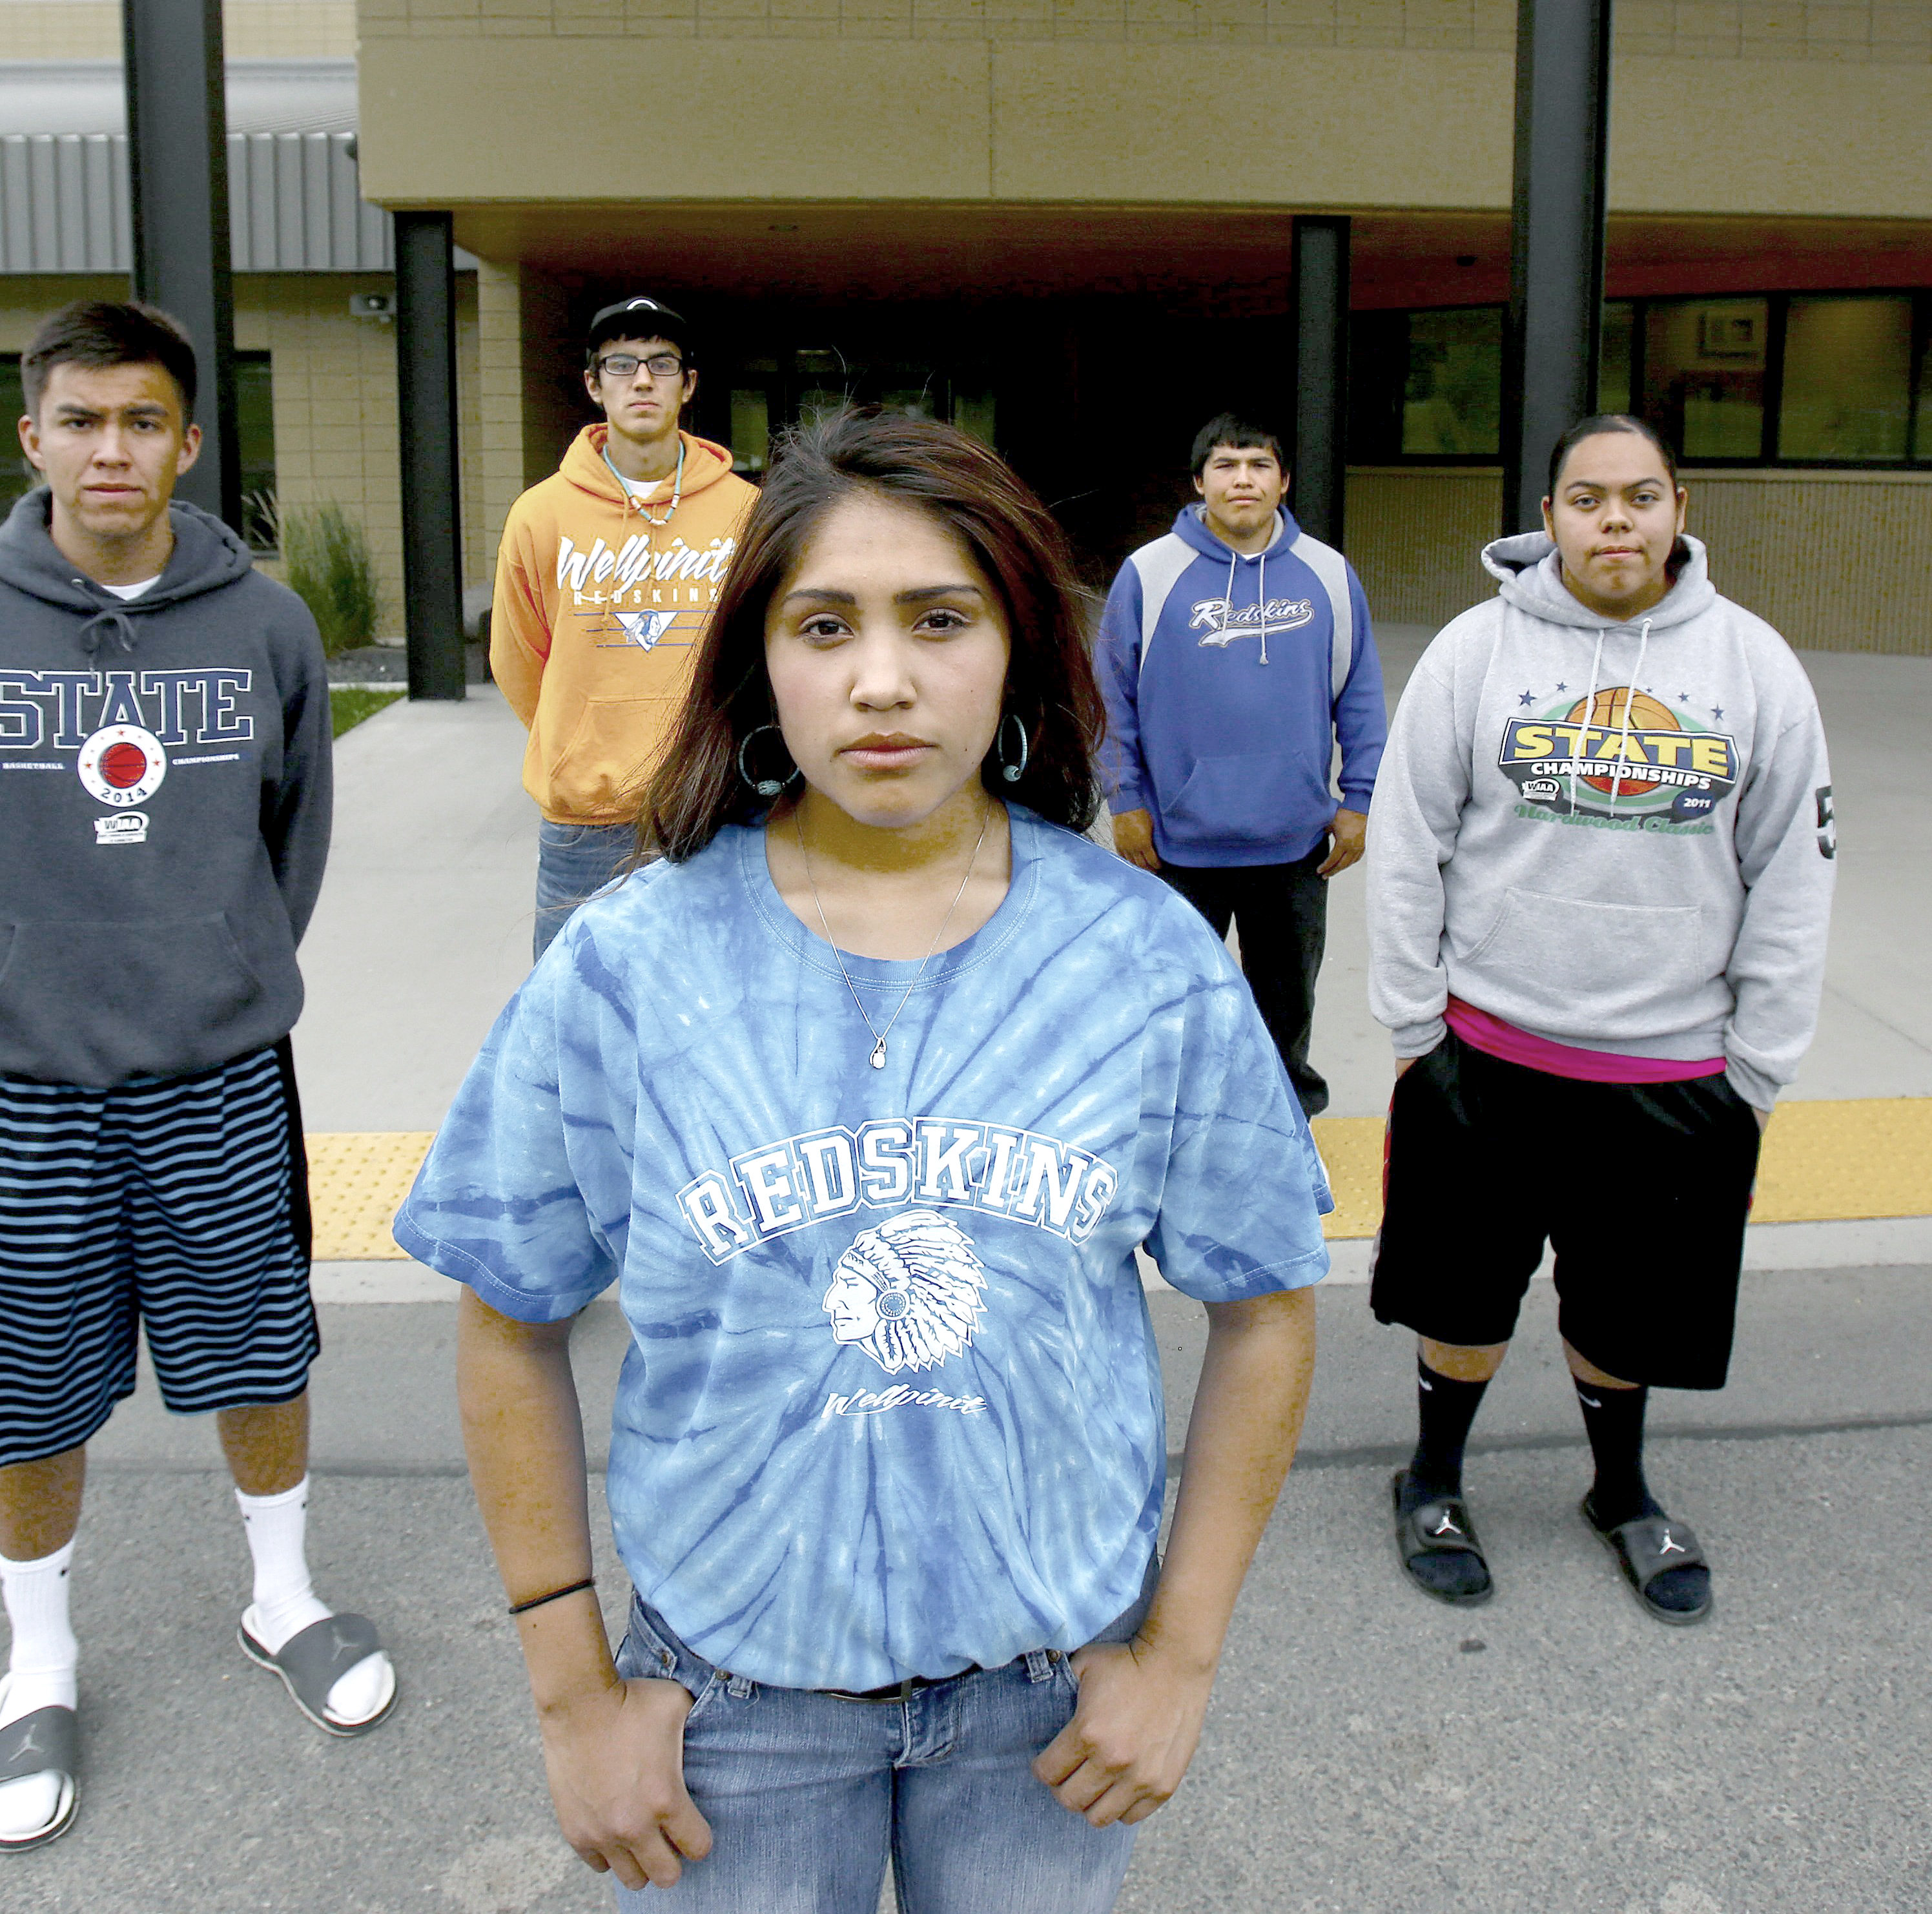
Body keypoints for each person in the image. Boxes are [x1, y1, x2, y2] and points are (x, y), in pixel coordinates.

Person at [396, 409, 1330, 1911]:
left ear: (1017, 650)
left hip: (1049, 1698)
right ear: (757, 660)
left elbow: (1267, 1294)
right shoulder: (631, 961)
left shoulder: (1139, 957)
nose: (880, 679)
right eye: (822, 623)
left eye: (939, 619)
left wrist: (1182, 1655)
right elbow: (509, 1311)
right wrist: (572, 1685)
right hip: (728, 1706)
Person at [0, 300, 396, 1854]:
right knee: (29, 1382)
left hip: (221, 1069)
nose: (114, 449)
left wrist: (214, 973)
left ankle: (281, 1594)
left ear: (187, 438)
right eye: (81, 420)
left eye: (142, 420)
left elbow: (288, 845)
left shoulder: (267, 630)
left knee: (259, 1342)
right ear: (31, 436)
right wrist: (11, 995)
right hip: (31, 1081)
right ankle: (38, 1655)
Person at [1365, 413, 1836, 1626]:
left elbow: (1793, 872)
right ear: (1549, 515)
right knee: (1460, 1297)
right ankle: (1431, 1476)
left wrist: (1755, 1069)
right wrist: (1417, 1032)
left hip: (1671, 1070)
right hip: (1486, 1055)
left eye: (1637, 496)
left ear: (1679, 506)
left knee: (1624, 1310)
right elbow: (1408, 842)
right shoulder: (1476, 651)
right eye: (1586, 498)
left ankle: (1617, 1489)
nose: (1613, 521)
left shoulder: (1754, 666)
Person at [1096, 412, 1388, 1118]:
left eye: (1258, 465)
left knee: (1284, 1006)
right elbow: (1111, 695)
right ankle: (1174, 1120)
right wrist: (1124, 800)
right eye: (1225, 466)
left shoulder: (1325, 573)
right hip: (1176, 841)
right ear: (1199, 483)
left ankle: (1286, 1121)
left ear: (1282, 481)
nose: (1242, 479)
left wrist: (1360, 800)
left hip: (1291, 842)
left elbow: (1360, 694)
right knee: (1171, 1000)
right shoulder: (1148, 572)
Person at [489, 294, 759, 957]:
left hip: (708, 812)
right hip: (584, 826)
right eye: (620, 364)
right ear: (593, 384)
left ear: (687, 384)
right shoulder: (540, 515)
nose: (641, 380)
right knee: (573, 1016)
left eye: (661, 364)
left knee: (710, 1006)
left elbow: (758, 655)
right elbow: (520, 661)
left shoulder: (745, 511)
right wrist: (582, 740)